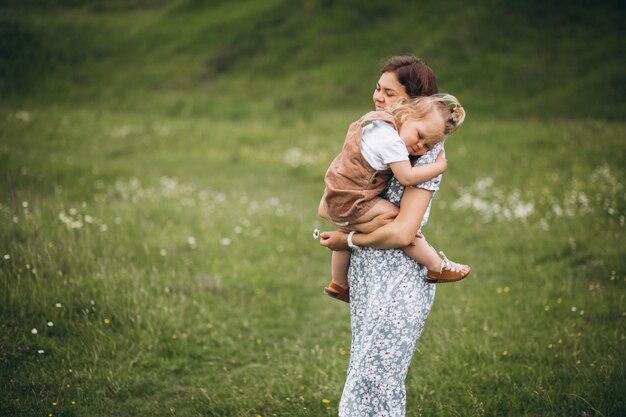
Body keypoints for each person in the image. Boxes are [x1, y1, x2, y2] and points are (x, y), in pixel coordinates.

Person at [318, 56, 465, 416]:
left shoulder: (424, 152)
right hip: (368, 277)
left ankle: (437, 265)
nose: (378, 99)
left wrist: (347, 240)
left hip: (398, 281)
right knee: (363, 376)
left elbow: (402, 232)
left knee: (377, 380)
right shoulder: (382, 135)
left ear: (414, 103)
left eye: (389, 93)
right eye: (377, 90)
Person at [318, 94, 470, 303]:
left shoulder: (377, 123)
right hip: (353, 199)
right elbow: (407, 177)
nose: (420, 147)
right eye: (419, 135)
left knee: (348, 230)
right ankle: (436, 266)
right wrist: (439, 166)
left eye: (428, 145)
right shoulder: (392, 142)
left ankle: (338, 284)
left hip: (336, 194)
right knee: (397, 219)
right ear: (406, 115)